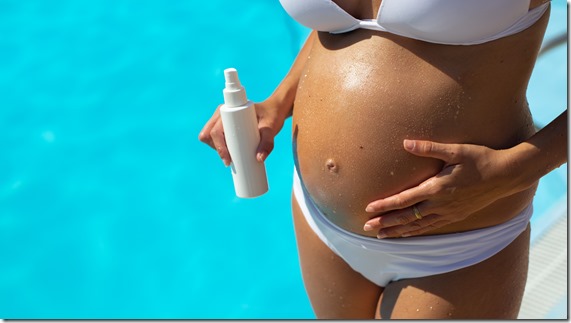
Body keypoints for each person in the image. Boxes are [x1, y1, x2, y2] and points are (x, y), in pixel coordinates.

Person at [199, 0, 567, 319]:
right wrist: (279, 101)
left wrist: (516, 169)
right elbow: (345, 25)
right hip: (320, 226)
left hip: (458, 244)